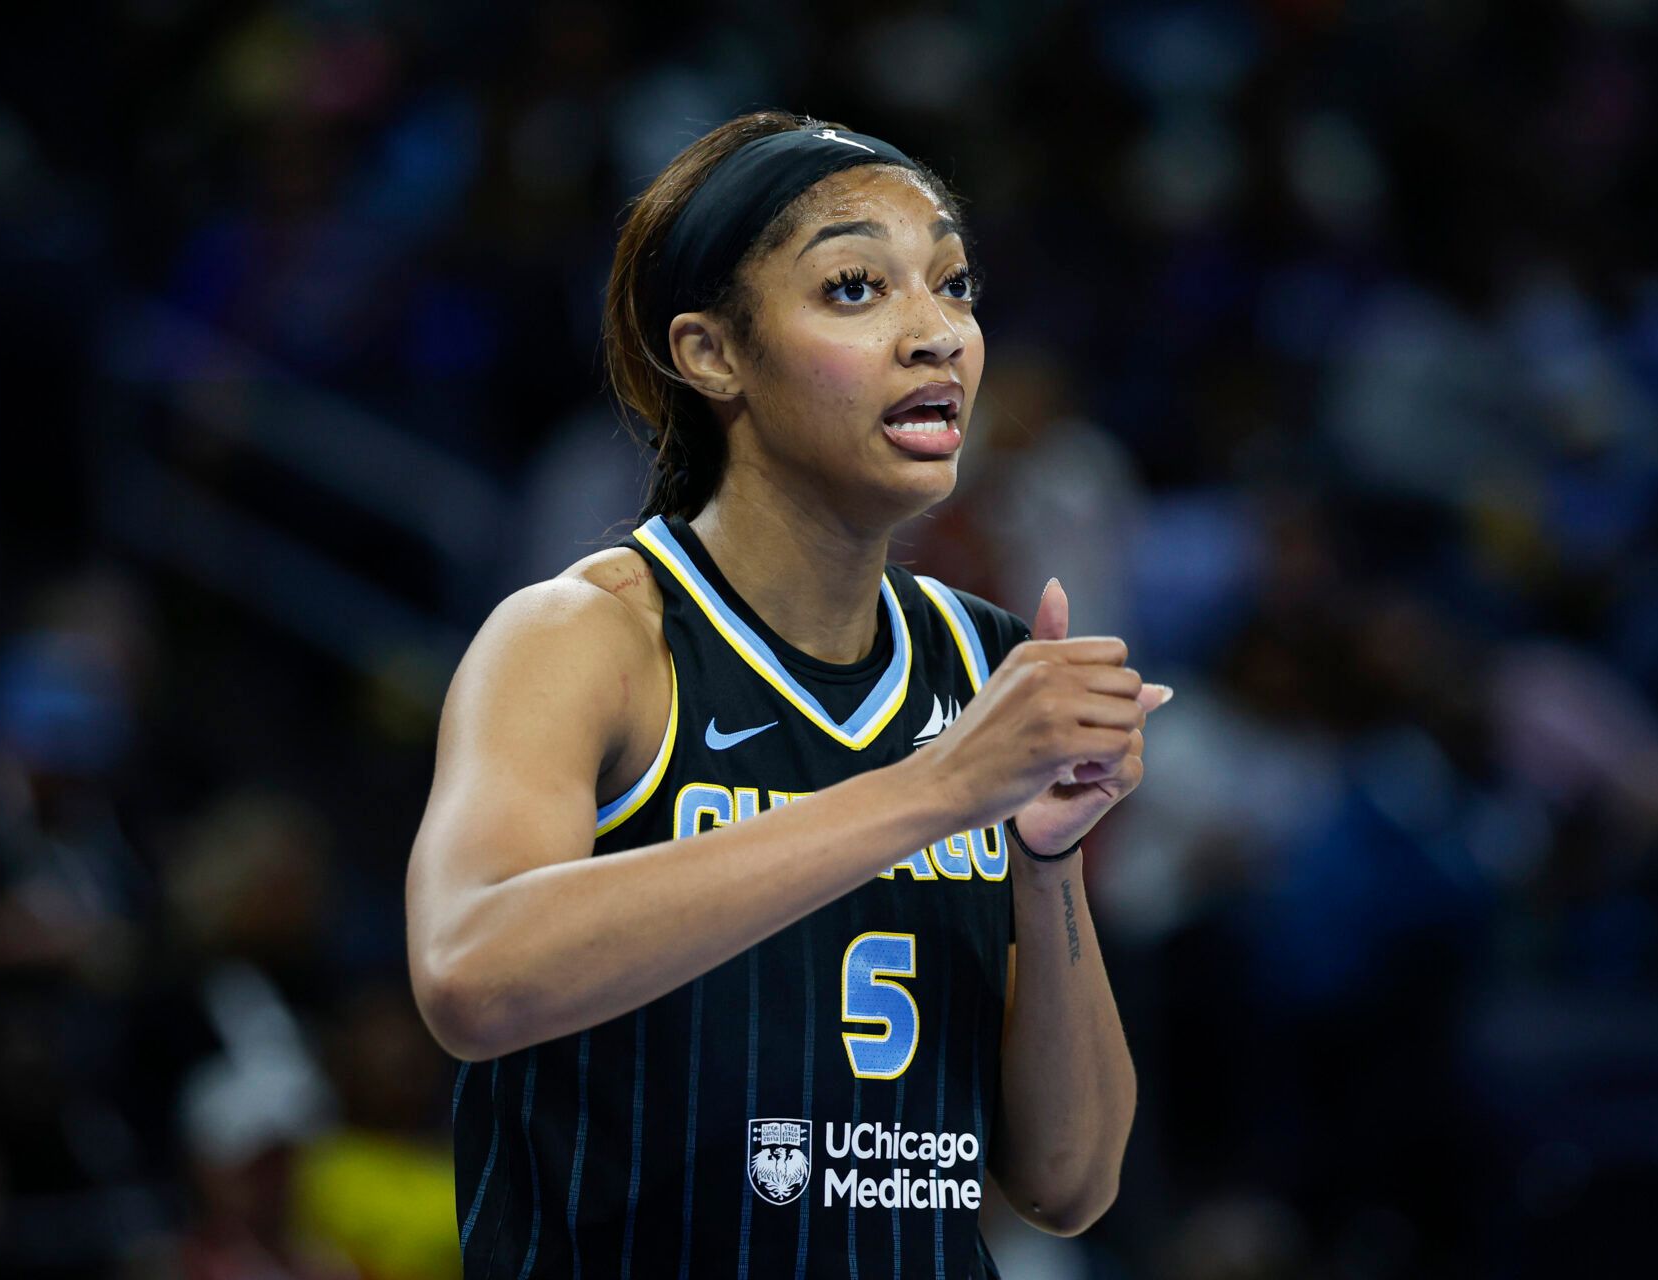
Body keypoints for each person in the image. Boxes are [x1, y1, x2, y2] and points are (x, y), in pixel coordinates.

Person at [405, 109, 1170, 1277]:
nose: (940, 335)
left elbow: (1068, 1180)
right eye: (858, 287)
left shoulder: (982, 666)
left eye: (955, 284)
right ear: (712, 353)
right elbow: (471, 971)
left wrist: (1048, 861)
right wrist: (939, 788)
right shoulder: (586, 636)